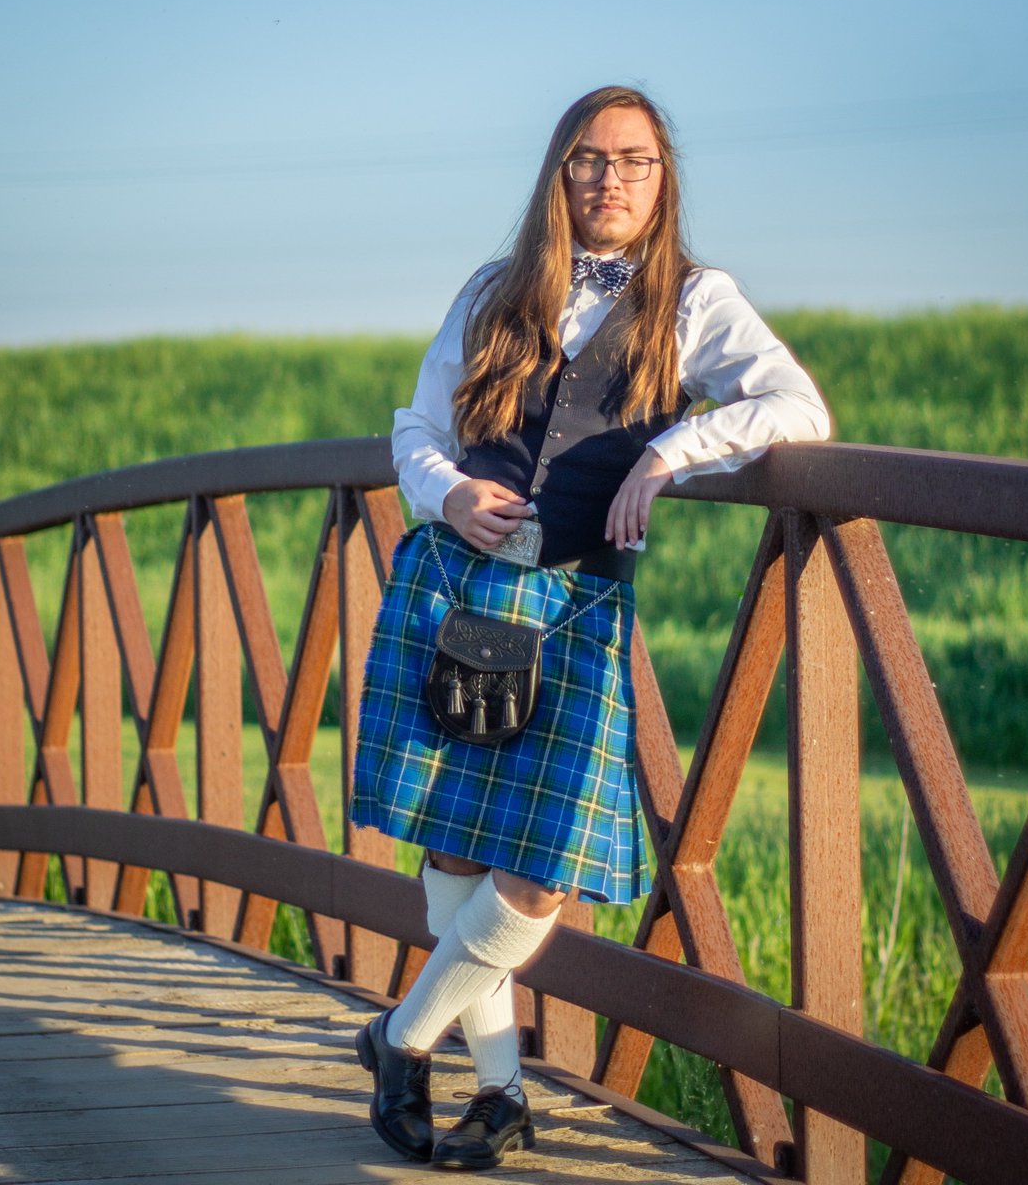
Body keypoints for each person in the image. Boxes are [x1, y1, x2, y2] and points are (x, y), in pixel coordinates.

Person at [350, 84, 830, 1171]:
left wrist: (671, 451)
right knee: (459, 851)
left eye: (634, 161)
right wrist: (447, 492)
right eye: (589, 158)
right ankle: (501, 1093)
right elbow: (417, 427)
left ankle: (399, 1037)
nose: (611, 179)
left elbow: (796, 407)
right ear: (558, 174)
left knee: (543, 871)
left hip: (575, 607)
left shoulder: (696, 301)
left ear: (663, 181)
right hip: (459, 586)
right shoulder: (495, 290)